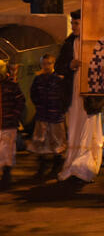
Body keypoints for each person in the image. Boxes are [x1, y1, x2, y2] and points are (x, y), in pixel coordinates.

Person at [58, 10, 104, 183]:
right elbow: (59, 66)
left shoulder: (94, 43)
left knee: (87, 128)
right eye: (73, 23)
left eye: (77, 23)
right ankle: (74, 163)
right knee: (74, 129)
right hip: (73, 94)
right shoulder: (69, 43)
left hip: (89, 96)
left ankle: (85, 165)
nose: (74, 26)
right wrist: (69, 65)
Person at [29, 54, 67, 179]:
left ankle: (57, 165)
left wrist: (60, 108)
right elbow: (33, 94)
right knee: (41, 140)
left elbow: (64, 96)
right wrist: (38, 105)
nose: (46, 66)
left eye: (49, 63)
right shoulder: (38, 79)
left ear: (53, 64)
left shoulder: (59, 79)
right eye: (44, 64)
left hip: (56, 115)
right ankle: (42, 166)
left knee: (57, 141)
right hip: (42, 115)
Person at [0, 59, 25, 189]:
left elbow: (21, 101)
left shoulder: (12, 86)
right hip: (4, 123)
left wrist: (14, 114)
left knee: (7, 149)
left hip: (8, 124)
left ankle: (6, 174)